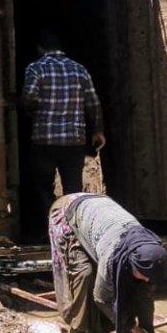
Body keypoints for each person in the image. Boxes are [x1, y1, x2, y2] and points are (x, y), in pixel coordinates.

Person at [48, 193, 167, 333]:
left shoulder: (149, 252)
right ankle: (78, 332)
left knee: (136, 285)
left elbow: (145, 296)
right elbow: (102, 298)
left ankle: (124, 332)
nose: (148, 280)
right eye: (145, 275)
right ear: (131, 262)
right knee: (85, 273)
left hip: (96, 211)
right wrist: (135, 330)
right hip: (68, 211)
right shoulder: (114, 253)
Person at [22, 29, 105, 220]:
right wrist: (98, 130)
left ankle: (50, 227)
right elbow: (93, 102)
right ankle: (73, 229)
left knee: (43, 185)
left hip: (44, 139)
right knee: (73, 187)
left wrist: (34, 114)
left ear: (40, 48)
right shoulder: (79, 69)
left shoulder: (36, 68)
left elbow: (29, 99)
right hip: (73, 139)